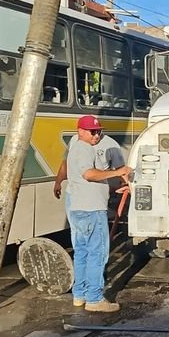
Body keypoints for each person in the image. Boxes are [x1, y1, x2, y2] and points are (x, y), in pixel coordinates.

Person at [54, 115, 130, 312]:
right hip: (91, 209)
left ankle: (79, 295)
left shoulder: (76, 147)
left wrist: (112, 188)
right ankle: (95, 299)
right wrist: (117, 172)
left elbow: (78, 174)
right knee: (98, 253)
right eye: (92, 131)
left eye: (98, 131)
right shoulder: (85, 148)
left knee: (82, 252)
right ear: (80, 131)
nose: (96, 135)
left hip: (78, 206)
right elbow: (89, 175)